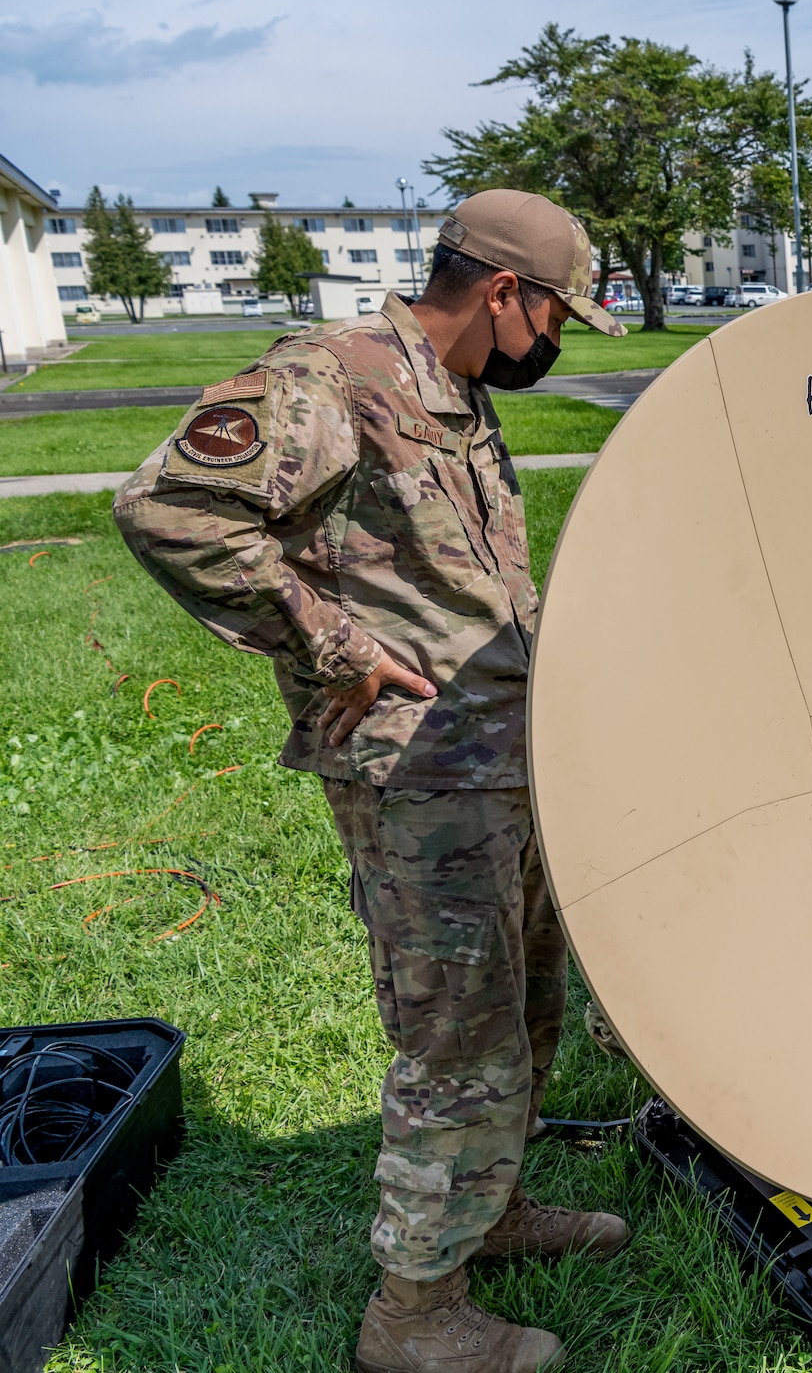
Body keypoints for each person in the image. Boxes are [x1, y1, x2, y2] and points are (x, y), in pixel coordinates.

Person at [115, 189, 638, 1373]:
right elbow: (172, 510)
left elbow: (459, 579)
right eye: (558, 312)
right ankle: (414, 1311)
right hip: (419, 778)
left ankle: (488, 1209)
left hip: (503, 758)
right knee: (455, 1034)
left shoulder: (449, 393)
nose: (558, 338)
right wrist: (338, 647)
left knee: (524, 1006)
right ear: (505, 291)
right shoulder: (333, 376)